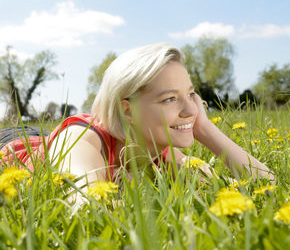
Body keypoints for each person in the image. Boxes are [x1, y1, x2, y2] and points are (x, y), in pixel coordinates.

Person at [0, 43, 274, 187]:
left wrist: (205, 129)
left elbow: (266, 185)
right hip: (17, 144)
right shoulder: (80, 142)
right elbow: (87, 206)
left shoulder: (161, 151)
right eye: (169, 98)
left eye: (190, 94)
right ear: (127, 109)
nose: (190, 108)